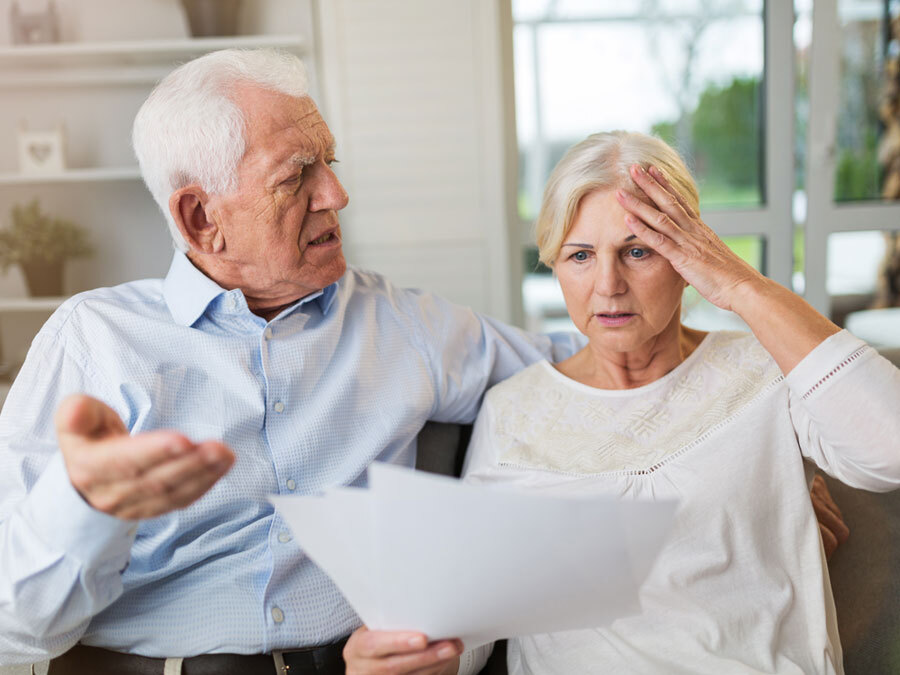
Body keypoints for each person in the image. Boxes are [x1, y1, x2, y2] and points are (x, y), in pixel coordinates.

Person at [0, 49, 581, 675]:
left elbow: (590, 373)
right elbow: (15, 630)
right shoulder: (94, 341)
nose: (336, 193)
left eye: (328, 162)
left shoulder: (401, 324)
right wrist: (85, 505)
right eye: (296, 175)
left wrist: (692, 287)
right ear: (201, 219)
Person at [453, 131, 900, 673]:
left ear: (688, 255)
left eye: (638, 250)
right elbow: (467, 625)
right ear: (554, 262)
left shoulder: (769, 370)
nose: (608, 284)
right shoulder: (512, 411)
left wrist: (740, 287)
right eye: (580, 255)